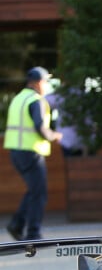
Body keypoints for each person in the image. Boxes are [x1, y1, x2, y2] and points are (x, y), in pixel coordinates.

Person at [3, 66, 63, 241]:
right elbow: (40, 127)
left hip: (16, 151)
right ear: (38, 83)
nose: (47, 86)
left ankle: (17, 225)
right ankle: (33, 233)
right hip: (30, 153)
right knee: (39, 193)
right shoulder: (36, 100)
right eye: (46, 82)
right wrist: (54, 135)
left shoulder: (18, 98)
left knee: (34, 191)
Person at [45, 84, 88, 157]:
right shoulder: (83, 96)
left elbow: (45, 101)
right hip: (74, 141)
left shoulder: (64, 94)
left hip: (66, 140)